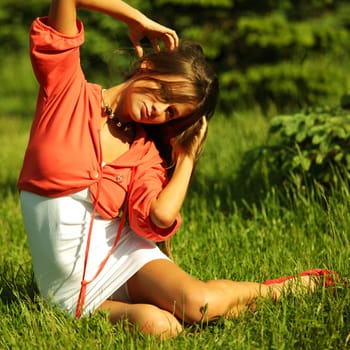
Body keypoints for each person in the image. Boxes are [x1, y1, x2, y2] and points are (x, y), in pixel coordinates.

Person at [18, 0, 339, 340]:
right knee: (162, 327)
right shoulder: (67, 91)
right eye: (165, 91)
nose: (158, 109)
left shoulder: (144, 153)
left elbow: (158, 215)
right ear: (150, 64)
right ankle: (209, 307)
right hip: (67, 296)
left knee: (199, 304)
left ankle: (285, 290)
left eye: (171, 113)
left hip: (121, 258)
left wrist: (187, 157)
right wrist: (135, 17)